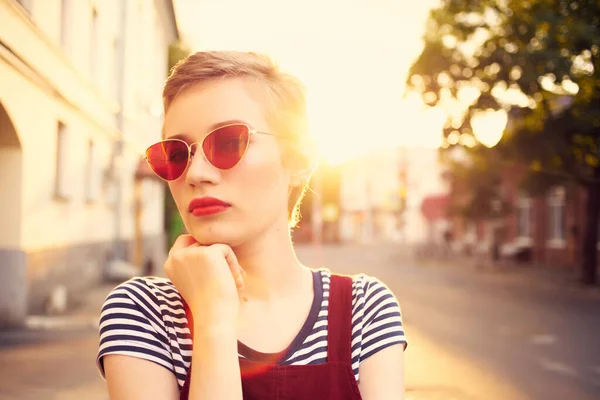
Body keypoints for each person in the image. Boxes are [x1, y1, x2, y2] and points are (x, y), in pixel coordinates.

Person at [96, 51, 407, 400]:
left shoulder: (363, 311)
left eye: (229, 142)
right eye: (177, 154)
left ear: (300, 160)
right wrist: (213, 314)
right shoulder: (144, 313)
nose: (196, 174)